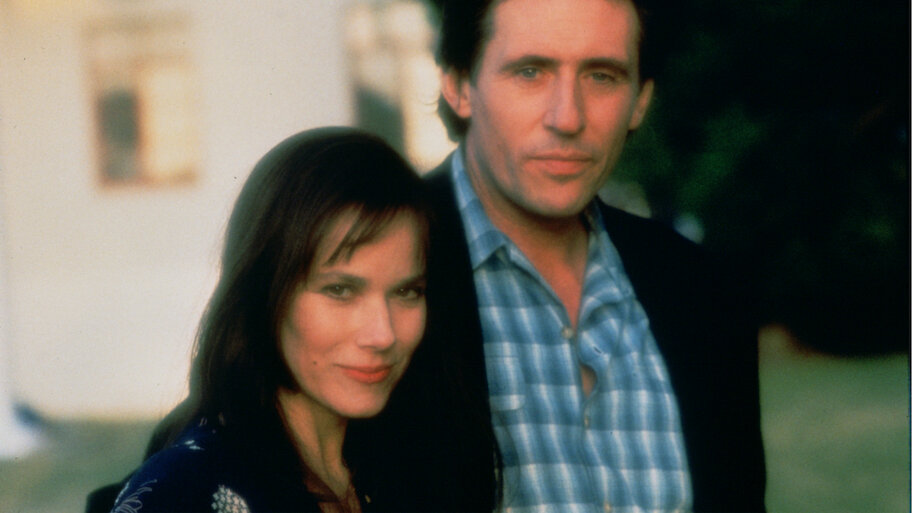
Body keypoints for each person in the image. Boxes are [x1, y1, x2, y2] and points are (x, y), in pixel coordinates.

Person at [423, 0, 767, 511]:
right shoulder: (369, 272)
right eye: (531, 72)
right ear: (458, 85)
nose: (567, 118)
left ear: (640, 100)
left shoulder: (704, 290)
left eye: (602, 76)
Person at [87, 127, 500, 513]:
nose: (383, 333)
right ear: (266, 293)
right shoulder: (184, 490)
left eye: (407, 292)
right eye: (341, 291)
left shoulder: (425, 463)